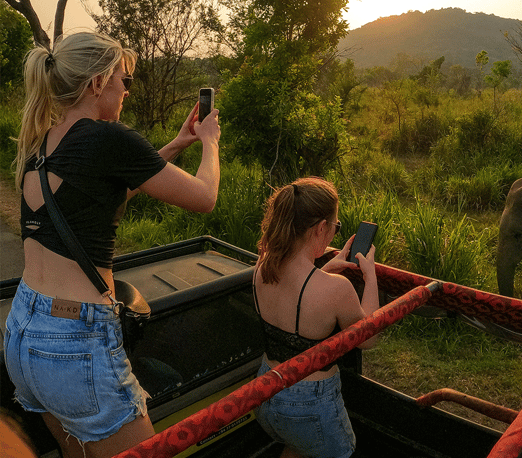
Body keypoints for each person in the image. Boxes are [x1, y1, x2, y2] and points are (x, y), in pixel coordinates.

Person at [4, 31, 221, 458]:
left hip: (22, 331)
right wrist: (210, 144)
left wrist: (178, 144)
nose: (126, 90)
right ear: (97, 83)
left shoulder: (43, 142)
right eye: (124, 80)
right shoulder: (108, 138)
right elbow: (205, 197)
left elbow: (105, 195)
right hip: (73, 341)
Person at [252, 177, 379, 458]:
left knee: (298, 446)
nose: (334, 232)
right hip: (310, 402)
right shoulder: (336, 289)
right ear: (321, 227)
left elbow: (298, 286)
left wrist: (326, 268)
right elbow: (368, 339)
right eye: (335, 227)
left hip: (265, 392)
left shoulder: (262, 265)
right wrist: (370, 277)